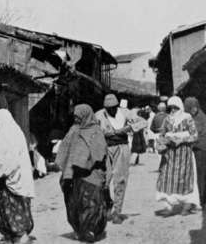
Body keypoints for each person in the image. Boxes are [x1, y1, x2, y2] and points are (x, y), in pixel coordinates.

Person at [56, 104, 109, 243]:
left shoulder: (96, 132)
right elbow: (65, 151)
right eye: (75, 117)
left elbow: (100, 152)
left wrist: (87, 159)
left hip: (92, 175)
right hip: (74, 176)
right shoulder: (73, 130)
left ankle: (90, 230)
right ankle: (79, 229)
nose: (77, 120)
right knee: (74, 204)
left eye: (79, 117)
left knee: (92, 203)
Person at [0, 103, 35, 244]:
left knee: (12, 209)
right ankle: (13, 236)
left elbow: (7, 161)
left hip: (9, 179)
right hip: (17, 179)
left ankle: (21, 237)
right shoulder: (15, 132)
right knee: (11, 209)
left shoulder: (7, 135)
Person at [95, 94, 146, 224]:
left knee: (120, 179)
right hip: (105, 148)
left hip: (122, 147)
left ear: (117, 106)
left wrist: (128, 128)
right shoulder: (99, 115)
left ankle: (117, 211)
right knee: (103, 180)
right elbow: (93, 131)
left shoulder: (125, 113)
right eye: (108, 108)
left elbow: (143, 122)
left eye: (113, 107)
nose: (111, 110)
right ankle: (108, 204)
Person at [155, 96, 200, 217]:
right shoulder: (167, 119)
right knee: (166, 178)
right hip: (170, 154)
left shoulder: (187, 118)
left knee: (184, 179)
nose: (173, 110)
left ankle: (186, 206)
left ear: (180, 106)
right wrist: (164, 140)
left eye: (175, 107)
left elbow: (195, 135)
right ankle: (168, 207)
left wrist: (182, 139)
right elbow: (161, 134)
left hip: (184, 154)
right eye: (171, 107)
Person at [184, 97, 206, 207]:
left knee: (200, 174)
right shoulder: (196, 116)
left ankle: (200, 199)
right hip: (200, 148)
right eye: (191, 108)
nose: (193, 109)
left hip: (201, 149)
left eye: (195, 107)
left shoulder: (200, 118)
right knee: (201, 174)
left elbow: (196, 135)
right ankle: (203, 197)